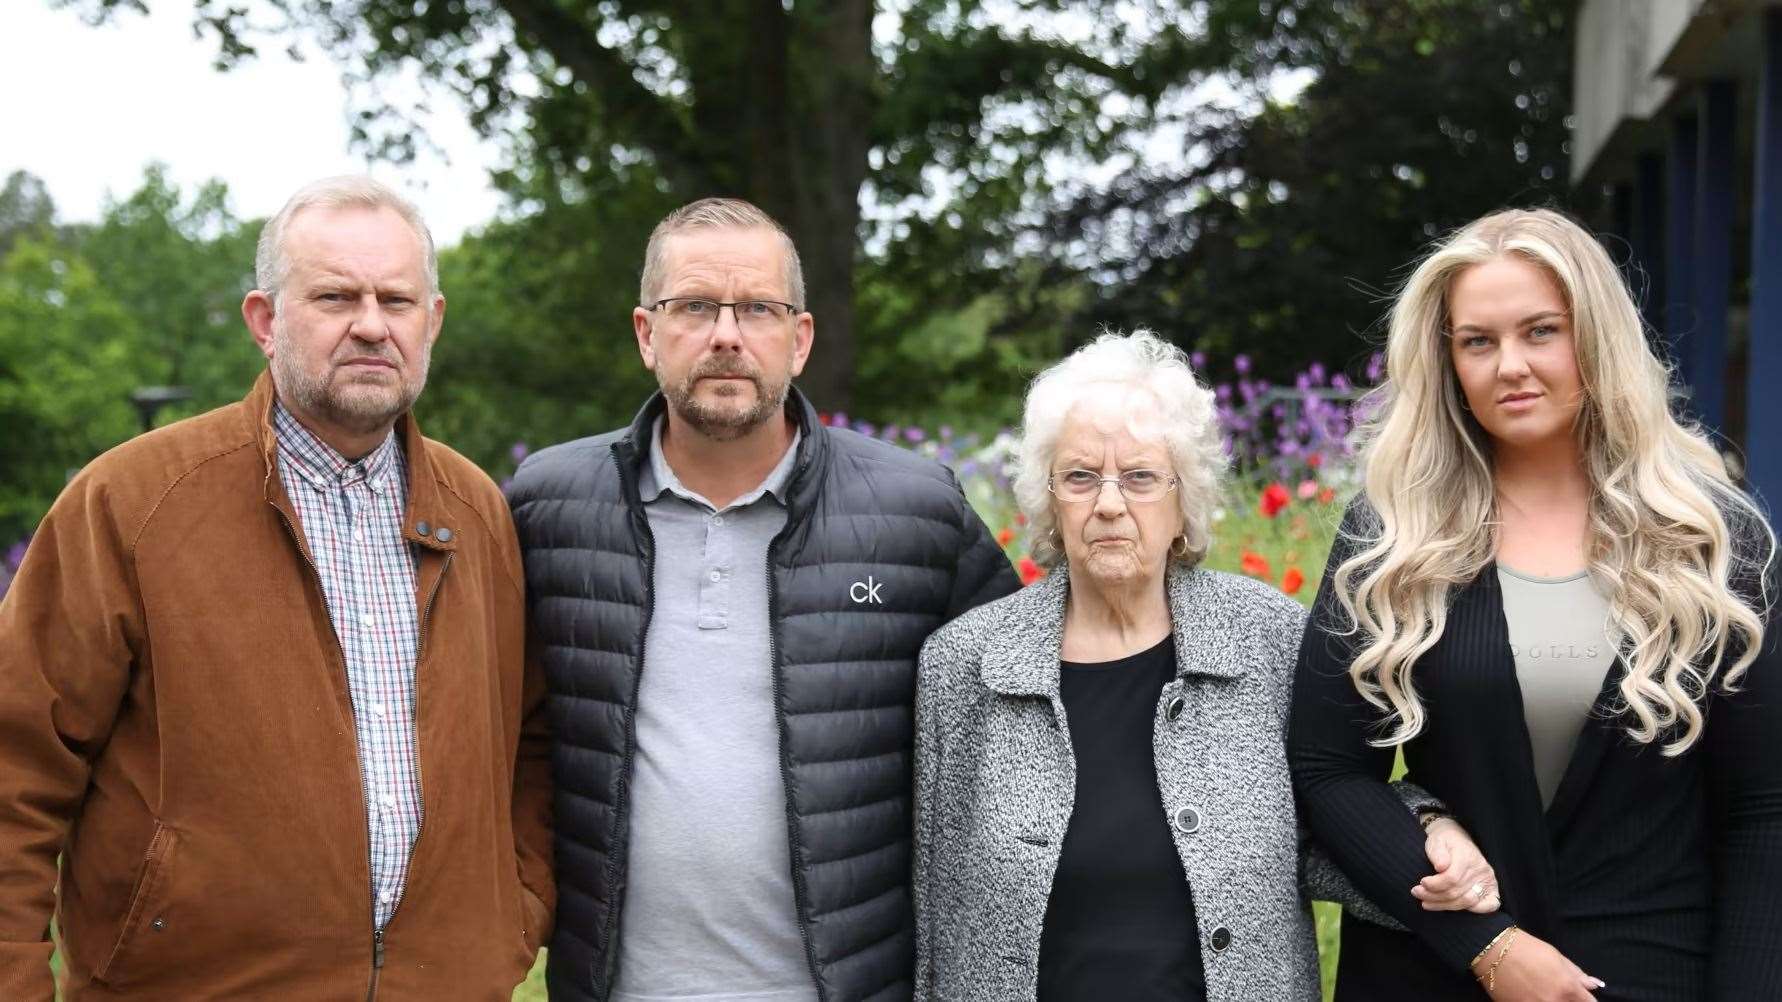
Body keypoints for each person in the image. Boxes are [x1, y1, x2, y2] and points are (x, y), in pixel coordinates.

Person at [0, 176, 554, 1000]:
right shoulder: (134, 503)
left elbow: (531, 745)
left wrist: (511, 918)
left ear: (431, 323)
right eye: (335, 296)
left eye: (397, 300)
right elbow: (17, 770)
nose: (371, 325)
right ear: (265, 320)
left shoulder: (480, 513)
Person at [505, 197, 1020, 1002]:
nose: (726, 334)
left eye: (758, 309)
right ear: (647, 333)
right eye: (695, 307)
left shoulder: (916, 512)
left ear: (800, 338)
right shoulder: (548, 509)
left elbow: (1023, 726)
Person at [911, 331, 1500, 1002]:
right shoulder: (965, 664)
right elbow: (937, 908)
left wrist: (1428, 823)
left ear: (1183, 501)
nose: (1108, 504)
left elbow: (1331, 812)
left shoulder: (1268, 637)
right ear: (1049, 497)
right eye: (1079, 477)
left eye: (1139, 477)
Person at [1289, 208, 1781, 1001]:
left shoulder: (1716, 541)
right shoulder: (1392, 536)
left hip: (1653, 973)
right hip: (1435, 974)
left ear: (1596, 339)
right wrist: (1486, 945)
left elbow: (1764, 812)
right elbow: (1328, 770)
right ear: (1447, 361)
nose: (1509, 365)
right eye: (1477, 341)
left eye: (1541, 331)